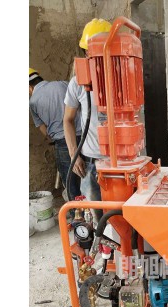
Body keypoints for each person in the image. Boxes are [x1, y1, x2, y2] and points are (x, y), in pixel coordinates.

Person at [63, 18, 112, 223]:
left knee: (121, 216)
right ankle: (101, 242)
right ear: (85, 52)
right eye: (89, 51)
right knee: (97, 217)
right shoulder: (78, 83)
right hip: (91, 162)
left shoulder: (124, 76)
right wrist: (74, 154)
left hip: (120, 162)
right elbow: (68, 120)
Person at [29, 68, 82, 208]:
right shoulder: (62, 84)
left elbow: (43, 129)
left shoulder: (33, 101)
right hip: (84, 137)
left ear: (29, 87)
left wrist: (51, 137)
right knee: (89, 177)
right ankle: (95, 212)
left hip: (63, 142)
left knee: (70, 182)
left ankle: (77, 214)